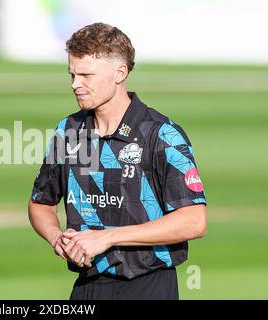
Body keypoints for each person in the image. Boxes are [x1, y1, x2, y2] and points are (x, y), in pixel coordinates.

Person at [28, 22, 207, 300]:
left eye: (86, 75)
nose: (75, 84)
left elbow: (194, 221)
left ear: (120, 73)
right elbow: (41, 203)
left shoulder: (161, 134)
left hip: (149, 285)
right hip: (87, 286)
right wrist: (56, 238)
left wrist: (108, 237)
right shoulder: (68, 131)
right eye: (72, 74)